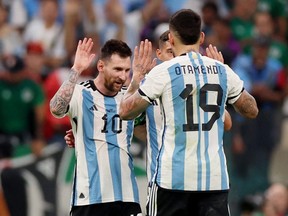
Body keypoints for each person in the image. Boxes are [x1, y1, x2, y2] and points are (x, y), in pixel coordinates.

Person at [119, 9, 258, 216]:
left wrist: (136, 77)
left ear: (172, 39)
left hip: (173, 180)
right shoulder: (222, 70)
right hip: (214, 181)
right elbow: (252, 109)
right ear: (201, 37)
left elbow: (125, 111)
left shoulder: (163, 72)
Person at [50, 37, 154, 216]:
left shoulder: (129, 97)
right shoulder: (81, 92)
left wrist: (138, 79)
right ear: (101, 67)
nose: (123, 76)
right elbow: (56, 109)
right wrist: (76, 69)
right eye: (118, 69)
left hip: (126, 195)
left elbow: (146, 132)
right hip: (89, 197)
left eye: (127, 70)